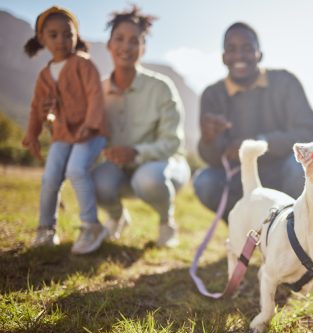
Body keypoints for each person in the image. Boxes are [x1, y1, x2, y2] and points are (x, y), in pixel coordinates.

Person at [193, 22, 313, 221]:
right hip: (240, 178)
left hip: (282, 171)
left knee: (300, 169)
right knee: (205, 181)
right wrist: (208, 140)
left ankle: (292, 230)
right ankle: (242, 231)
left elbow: (310, 134)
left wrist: (256, 143)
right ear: (223, 57)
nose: (239, 56)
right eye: (231, 49)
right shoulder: (212, 94)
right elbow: (212, 158)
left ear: (259, 54)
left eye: (247, 48)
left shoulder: (285, 82)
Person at [91, 6, 190, 249]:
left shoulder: (162, 88)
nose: (126, 47)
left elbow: (172, 143)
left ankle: (167, 224)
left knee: (148, 179)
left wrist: (136, 152)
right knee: (93, 180)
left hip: (162, 167)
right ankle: (116, 218)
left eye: (134, 41)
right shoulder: (97, 91)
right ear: (109, 45)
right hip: (120, 170)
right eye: (119, 39)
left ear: (143, 48)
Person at [22, 6, 108, 254]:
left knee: (76, 170)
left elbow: (95, 96)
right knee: (49, 178)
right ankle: (46, 229)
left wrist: (90, 124)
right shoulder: (44, 75)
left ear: (76, 36)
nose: (61, 40)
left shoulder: (83, 64)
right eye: (53, 35)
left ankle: (91, 225)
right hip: (62, 135)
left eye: (67, 34)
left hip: (90, 132)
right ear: (42, 39)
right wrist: (32, 134)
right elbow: (36, 107)